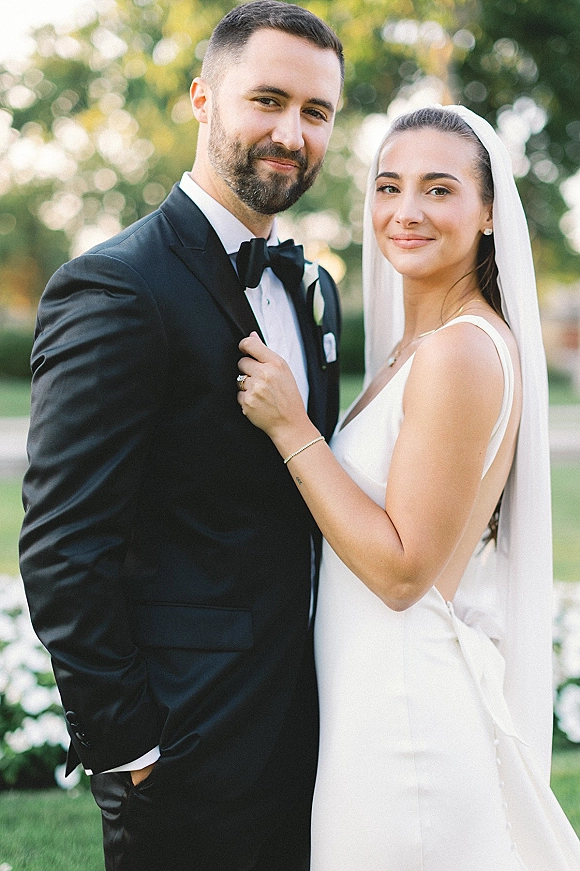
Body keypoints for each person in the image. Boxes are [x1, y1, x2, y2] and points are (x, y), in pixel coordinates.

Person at [19, 3, 343, 869]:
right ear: (203, 98)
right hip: (183, 754)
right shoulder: (115, 289)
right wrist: (131, 748)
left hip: (308, 734)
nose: (291, 132)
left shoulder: (314, 288)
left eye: (316, 112)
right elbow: (60, 547)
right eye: (266, 99)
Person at [237, 105, 580, 869]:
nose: (406, 211)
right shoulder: (413, 349)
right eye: (389, 187)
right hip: (368, 706)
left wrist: (293, 428)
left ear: (489, 211)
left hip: (406, 723)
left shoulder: (461, 351)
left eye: (439, 188)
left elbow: (401, 571)